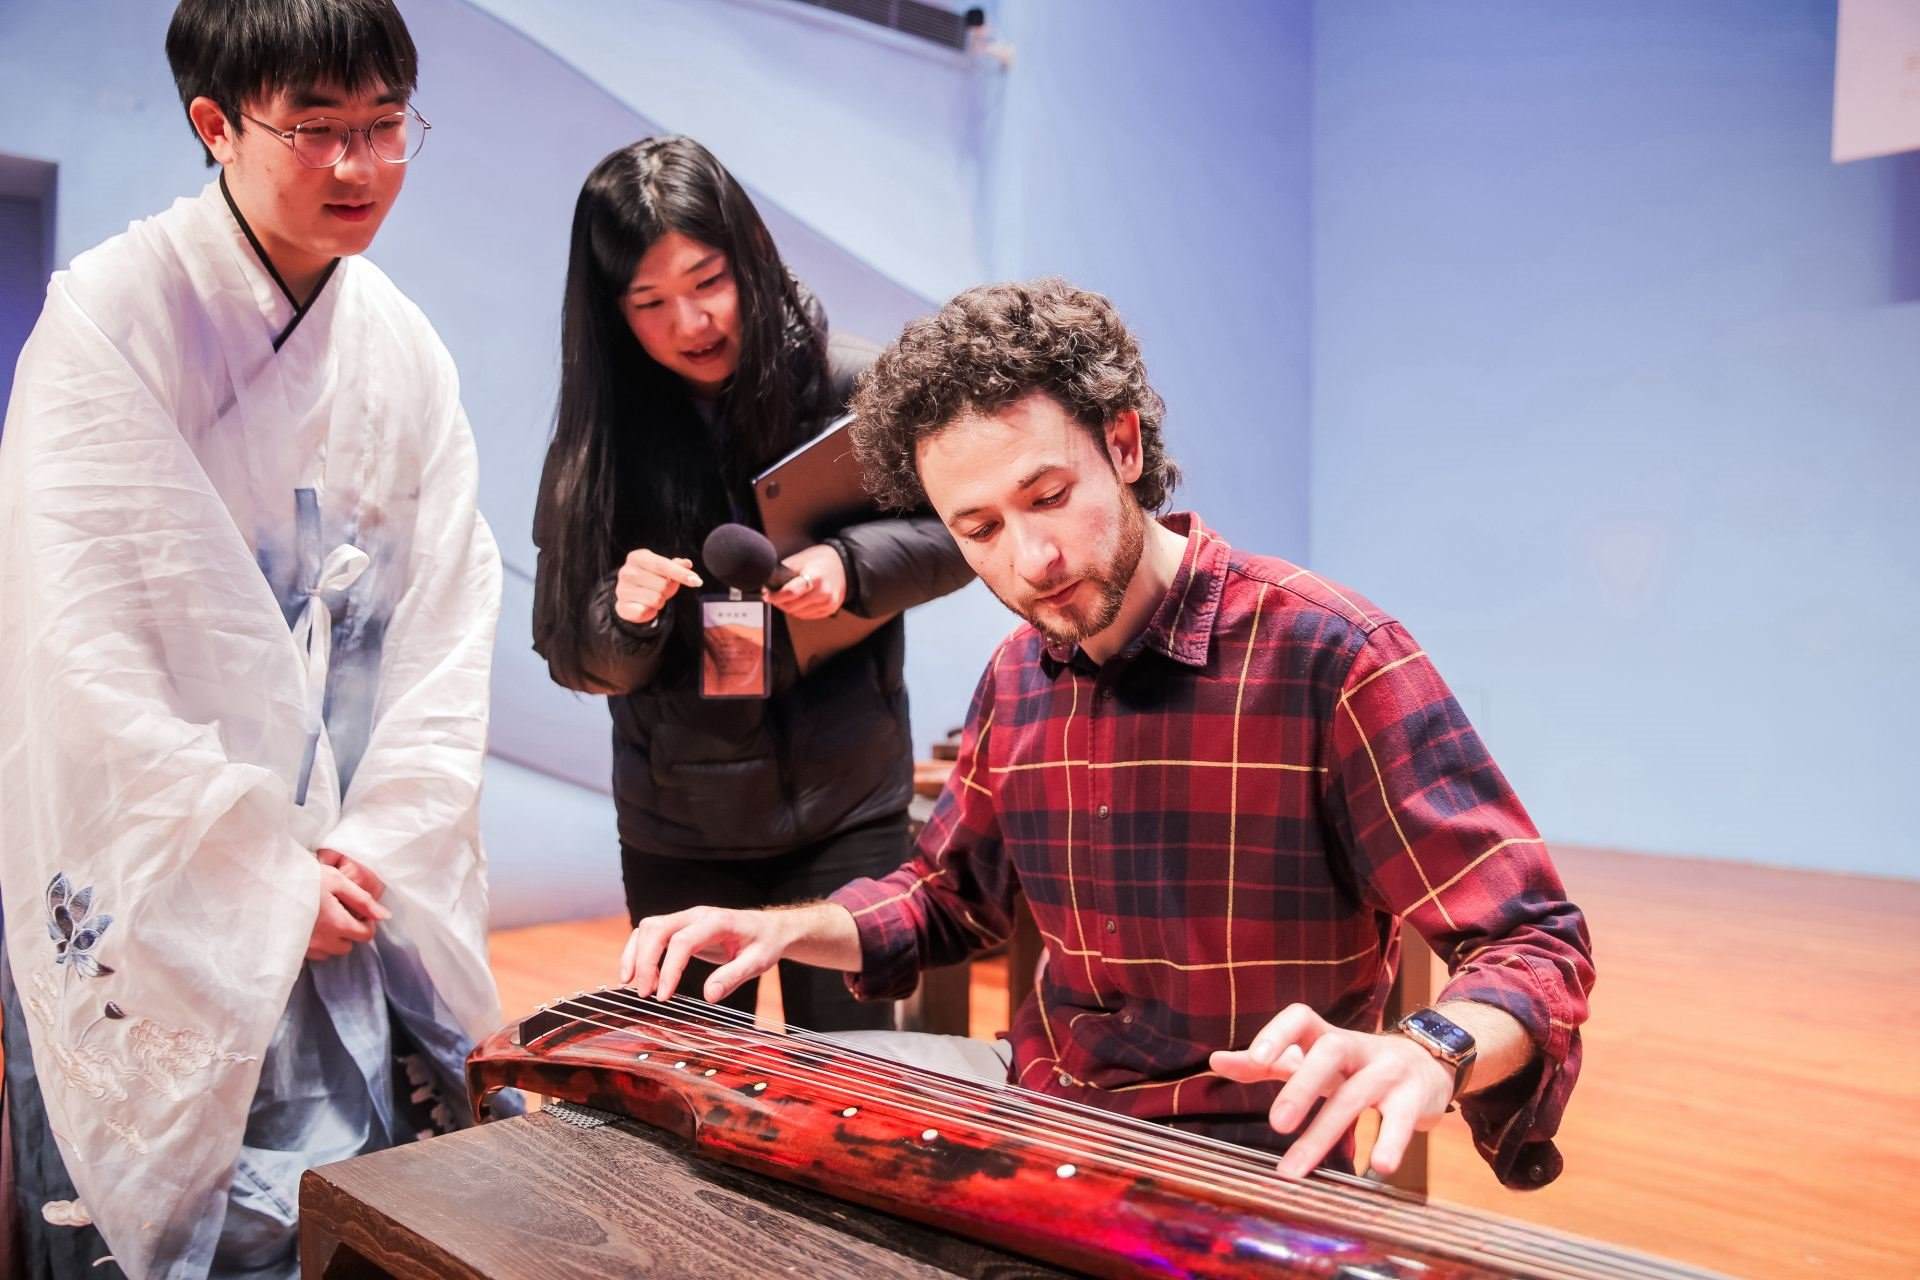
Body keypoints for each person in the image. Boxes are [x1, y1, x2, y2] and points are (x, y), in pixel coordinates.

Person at [620, 278, 1595, 1189]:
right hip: (1044, 1108)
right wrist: (781, 927)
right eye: (979, 529)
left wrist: (1430, 1048)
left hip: (1244, 1152)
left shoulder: (1331, 654)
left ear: (1123, 444)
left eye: (1048, 496)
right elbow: (944, 898)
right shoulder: (1019, 673)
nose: (1032, 559)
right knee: (719, 1146)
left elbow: (1532, 941)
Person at [0, 3, 508, 1276]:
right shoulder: (113, 318)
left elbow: (447, 626)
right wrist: (258, 878)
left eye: (385, 126)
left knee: (353, 1218)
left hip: (353, 871)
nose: (359, 165)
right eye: (316, 129)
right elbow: (79, 646)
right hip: (174, 874)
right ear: (216, 125)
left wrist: (375, 843)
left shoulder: (402, 344)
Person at [531, 137, 972, 1033]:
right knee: (687, 1080)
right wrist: (623, 617)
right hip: (679, 826)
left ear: (751, 258)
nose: (691, 322)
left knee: (845, 1081)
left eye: (708, 282)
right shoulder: (600, 438)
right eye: (651, 302)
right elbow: (569, 651)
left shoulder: (858, 387)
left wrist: (850, 566)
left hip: (848, 810)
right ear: (612, 312)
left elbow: (963, 530)